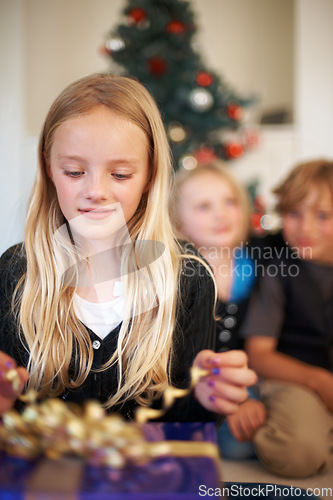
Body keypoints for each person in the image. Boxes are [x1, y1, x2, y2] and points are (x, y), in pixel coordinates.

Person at [0, 74, 256, 424]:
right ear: (49, 168)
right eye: (74, 172)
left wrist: (206, 398)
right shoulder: (17, 271)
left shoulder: (188, 276)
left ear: (150, 174)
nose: (96, 191)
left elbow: (187, 421)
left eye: (120, 175)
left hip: (151, 475)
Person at [241, 159, 333, 478]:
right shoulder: (278, 268)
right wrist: (318, 381)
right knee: (298, 453)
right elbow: (259, 355)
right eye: (294, 214)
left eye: (323, 216)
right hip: (295, 379)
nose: (306, 228)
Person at [170, 162, 266, 459]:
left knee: (246, 441)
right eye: (203, 207)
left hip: (244, 374)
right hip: (189, 379)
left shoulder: (256, 265)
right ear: (179, 223)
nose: (221, 214)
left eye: (229, 202)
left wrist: (245, 399)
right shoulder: (179, 274)